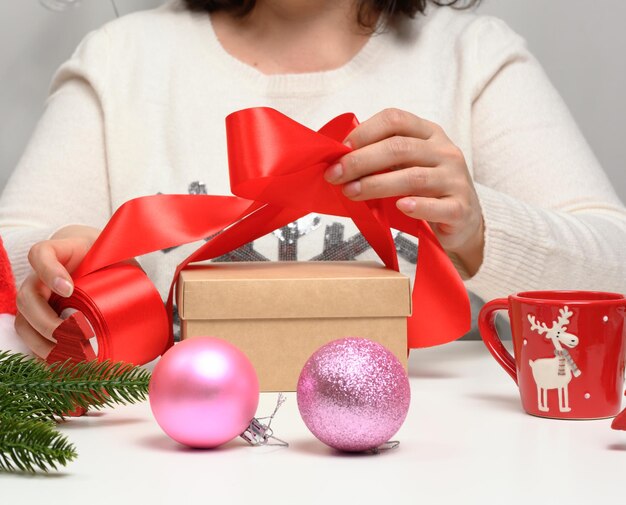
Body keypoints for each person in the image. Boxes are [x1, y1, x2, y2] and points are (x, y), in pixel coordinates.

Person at [0, 0, 624, 359]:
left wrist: (482, 230)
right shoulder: (122, 60)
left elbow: (614, 266)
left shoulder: (472, 56)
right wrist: (60, 274)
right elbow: (18, 252)